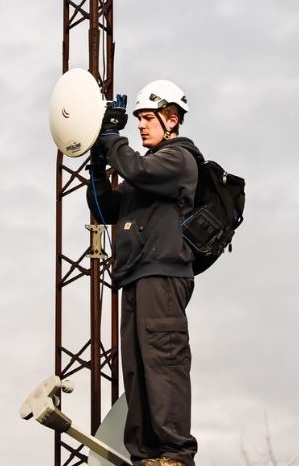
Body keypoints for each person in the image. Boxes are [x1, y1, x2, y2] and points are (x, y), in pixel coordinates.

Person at [87, 79, 204, 466]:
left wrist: (112, 138)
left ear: (172, 119)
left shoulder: (178, 159)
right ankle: (146, 456)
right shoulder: (143, 176)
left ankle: (174, 453)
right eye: (137, 118)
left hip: (162, 275)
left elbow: (135, 168)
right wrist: (99, 162)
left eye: (148, 117)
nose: (140, 125)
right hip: (135, 277)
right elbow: (104, 207)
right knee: (137, 368)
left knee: (162, 361)